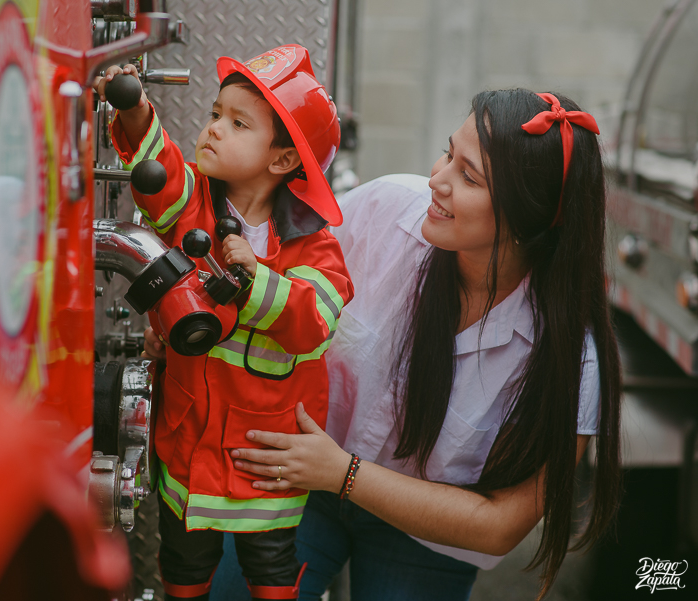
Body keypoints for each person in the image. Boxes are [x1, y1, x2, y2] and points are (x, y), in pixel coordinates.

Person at [202, 89, 623, 601]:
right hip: (298, 474)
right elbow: (266, 283)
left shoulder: (569, 361)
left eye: (469, 177)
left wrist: (344, 473)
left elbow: (499, 525)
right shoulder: (384, 210)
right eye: (448, 153)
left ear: (530, 218)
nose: (436, 180)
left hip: (427, 532)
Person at [95, 45, 354, 601]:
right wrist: (135, 109)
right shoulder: (196, 207)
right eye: (215, 114)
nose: (212, 129)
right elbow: (161, 176)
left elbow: (316, 318)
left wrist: (254, 277)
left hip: (267, 456)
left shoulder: (314, 244)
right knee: (183, 562)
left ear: (283, 160)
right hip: (191, 438)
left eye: (237, 124)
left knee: (273, 567)